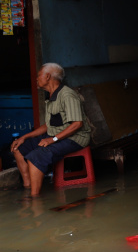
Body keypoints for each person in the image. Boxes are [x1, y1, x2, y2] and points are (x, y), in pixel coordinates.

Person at [10, 63, 92, 198]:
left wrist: (52, 139)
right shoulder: (51, 96)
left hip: (75, 138)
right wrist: (24, 137)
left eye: (38, 76)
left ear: (47, 76)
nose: (36, 79)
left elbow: (77, 124)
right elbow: (49, 126)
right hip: (55, 134)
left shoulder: (67, 95)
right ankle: (27, 187)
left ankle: (34, 199)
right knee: (18, 147)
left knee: (36, 156)